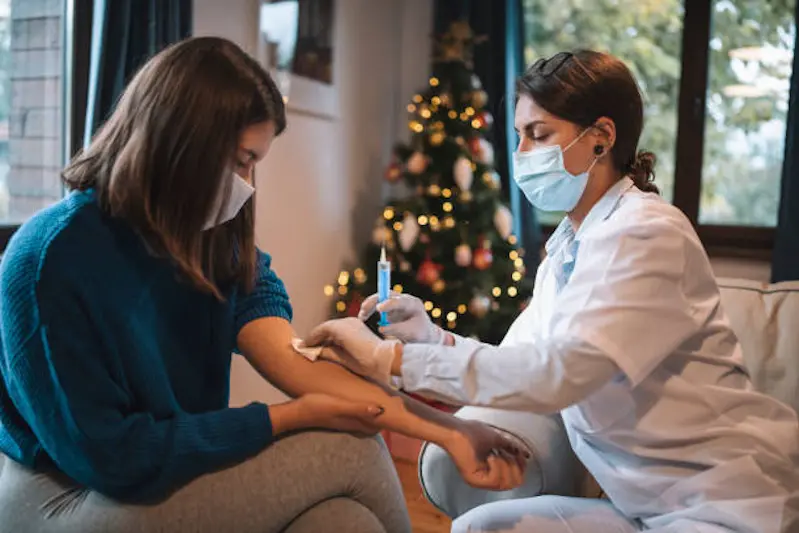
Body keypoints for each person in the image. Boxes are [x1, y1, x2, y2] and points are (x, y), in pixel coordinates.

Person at [0, 37, 528, 533]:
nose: (246, 188)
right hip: (66, 490)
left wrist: (452, 431)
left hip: (151, 469)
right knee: (350, 452)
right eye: (239, 162)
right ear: (178, 142)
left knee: (343, 521)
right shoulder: (51, 261)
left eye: (254, 165)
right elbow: (112, 456)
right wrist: (287, 418)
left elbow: (294, 363)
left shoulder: (208, 241)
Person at [305, 50, 799, 533]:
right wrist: (430, 337)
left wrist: (386, 359)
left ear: (601, 138)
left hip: (729, 502)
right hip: (643, 509)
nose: (520, 156)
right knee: (480, 526)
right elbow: (518, 364)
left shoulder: (649, 234)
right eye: (518, 135)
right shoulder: (568, 247)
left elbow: (557, 375)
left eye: (538, 135)